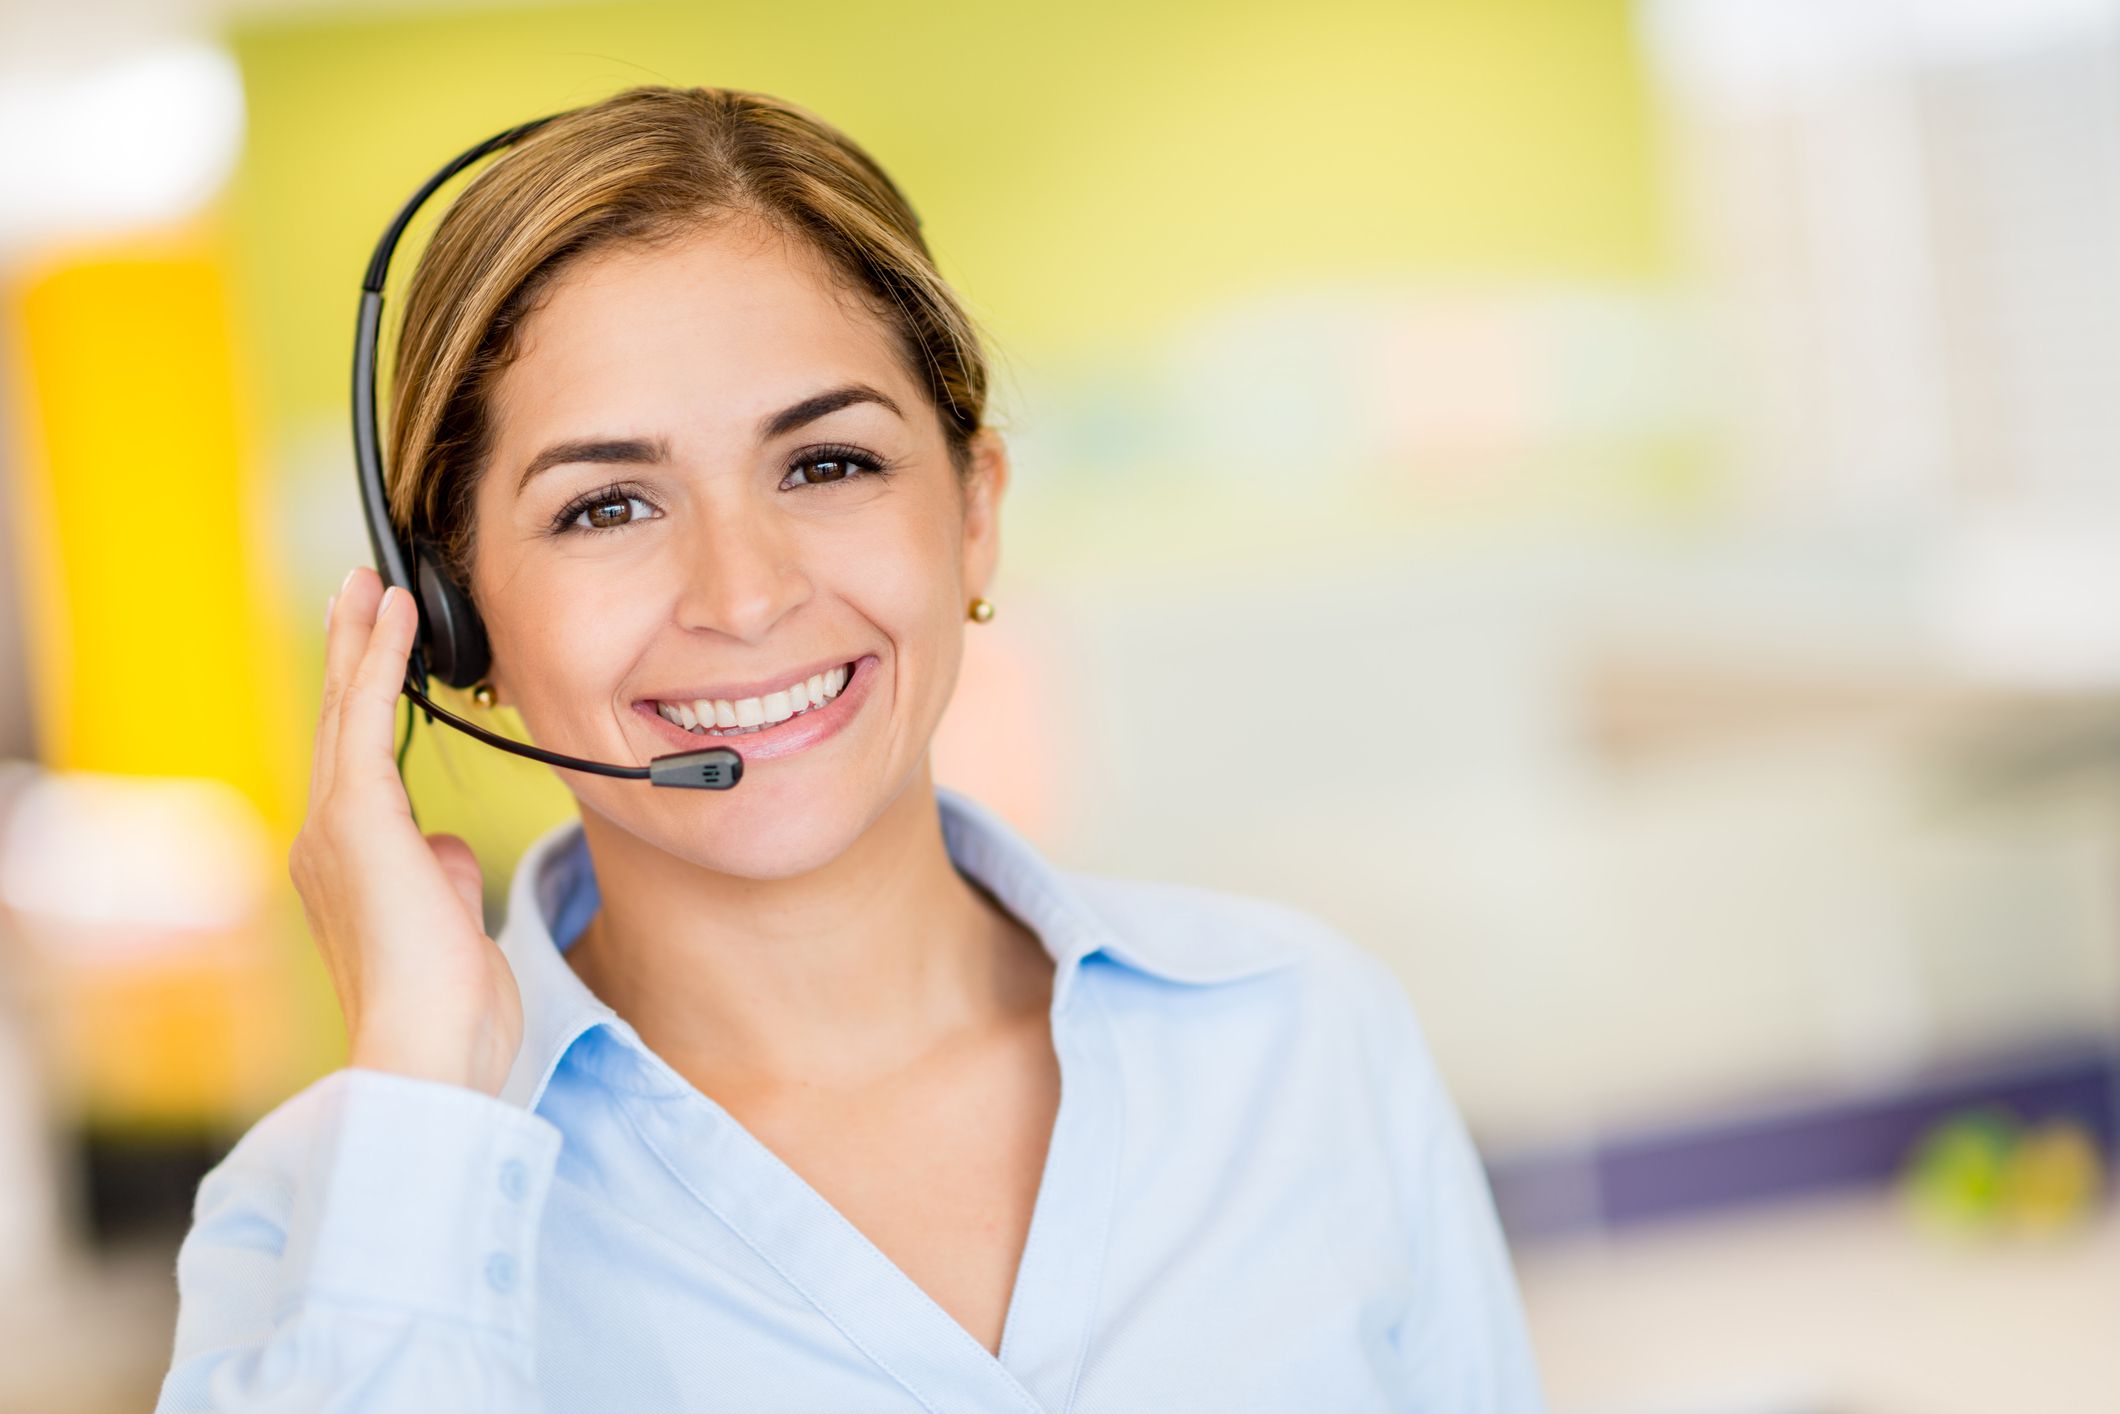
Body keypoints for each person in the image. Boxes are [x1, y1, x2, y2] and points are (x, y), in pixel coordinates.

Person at [155, 84, 1547, 1412]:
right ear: (456, 622)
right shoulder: (324, 1224)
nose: (745, 593)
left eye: (826, 465)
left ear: (974, 513)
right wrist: (415, 1074)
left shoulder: (1299, 1036)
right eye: (606, 506)